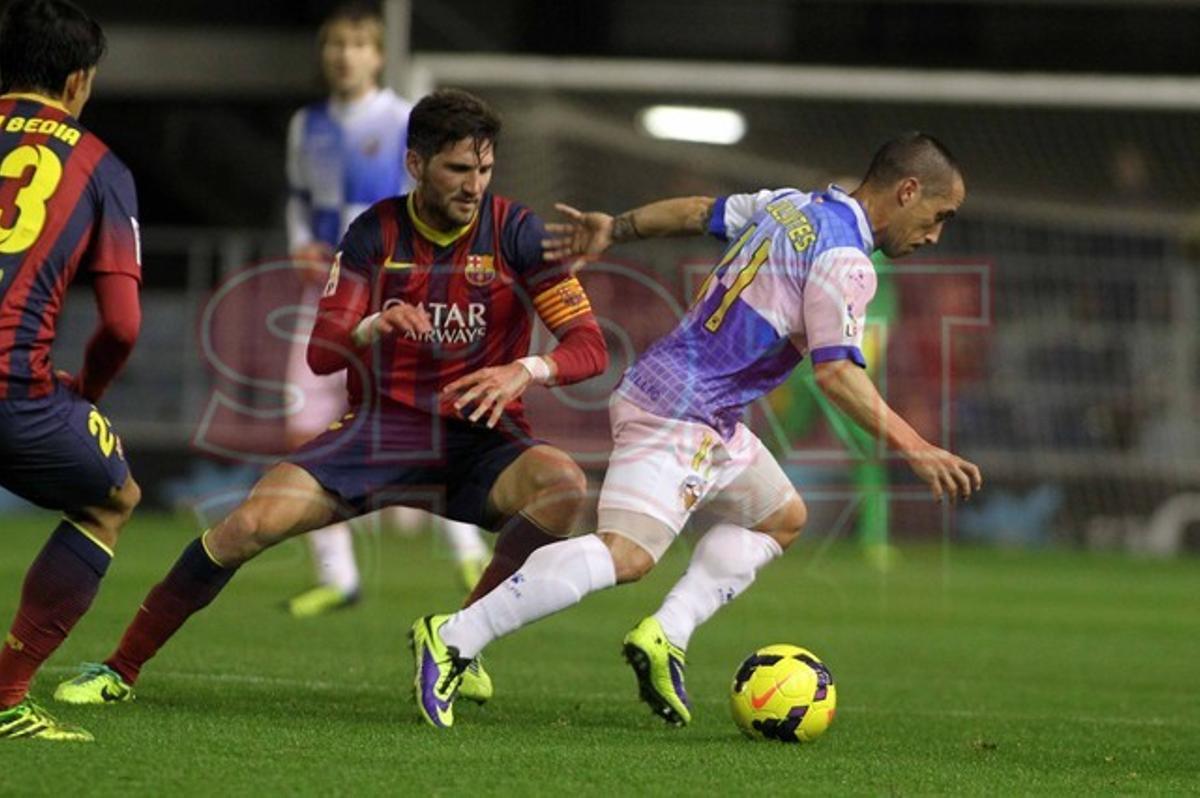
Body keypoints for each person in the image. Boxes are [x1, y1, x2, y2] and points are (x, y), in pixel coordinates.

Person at [53, 89, 609, 719]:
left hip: (482, 434)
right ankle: (118, 669)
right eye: (458, 169)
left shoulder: (517, 232)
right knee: (246, 527)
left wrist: (523, 369)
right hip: (380, 431)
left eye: (483, 170)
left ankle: (459, 642)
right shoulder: (375, 232)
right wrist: (374, 325)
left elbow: (590, 347)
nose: (474, 186)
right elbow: (322, 351)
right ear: (416, 164)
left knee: (563, 486)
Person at [411, 133, 982, 729]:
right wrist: (918, 449)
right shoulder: (847, 261)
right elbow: (836, 373)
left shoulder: (791, 204)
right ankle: (454, 635)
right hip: (679, 411)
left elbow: (694, 212)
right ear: (908, 190)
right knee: (627, 556)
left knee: (781, 517)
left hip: (703, 409)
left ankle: (666, 633)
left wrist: (618, 227)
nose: (935, 233)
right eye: (938, 216)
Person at [283, 1, 489, 618]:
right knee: (302, 416)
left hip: (394, 288)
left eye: (357, 45)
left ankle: (467, 547)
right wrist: (298, 243)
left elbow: (431, 202)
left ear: (377, 55)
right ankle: (337, 575)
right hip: (327, 287)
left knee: (423, 413)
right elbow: (298, 200)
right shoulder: (306, 124)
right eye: (335, 44)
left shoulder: (402, 119)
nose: (344, 56)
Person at [0, 0, 142, 743]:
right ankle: (5, 698)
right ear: (80, 81)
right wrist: (86, 395)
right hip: (14, 395)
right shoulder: (98, 164)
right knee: (112, 500)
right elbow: (121, 324)